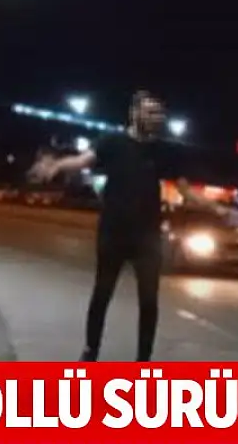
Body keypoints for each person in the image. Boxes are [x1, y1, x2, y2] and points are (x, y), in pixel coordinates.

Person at [28, 91, 226, 361]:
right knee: (102, 293)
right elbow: (83, 160)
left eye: (158, 113)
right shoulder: (113, 142)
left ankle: (143, 360)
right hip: (113, 233)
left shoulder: (163, 151)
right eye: (149, 112)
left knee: (149, 301)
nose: (155, 118)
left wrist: (215, 207)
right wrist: (58, 165)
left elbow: (186, 191)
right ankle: (90, 351)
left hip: (147, 238)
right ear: (134, 113)